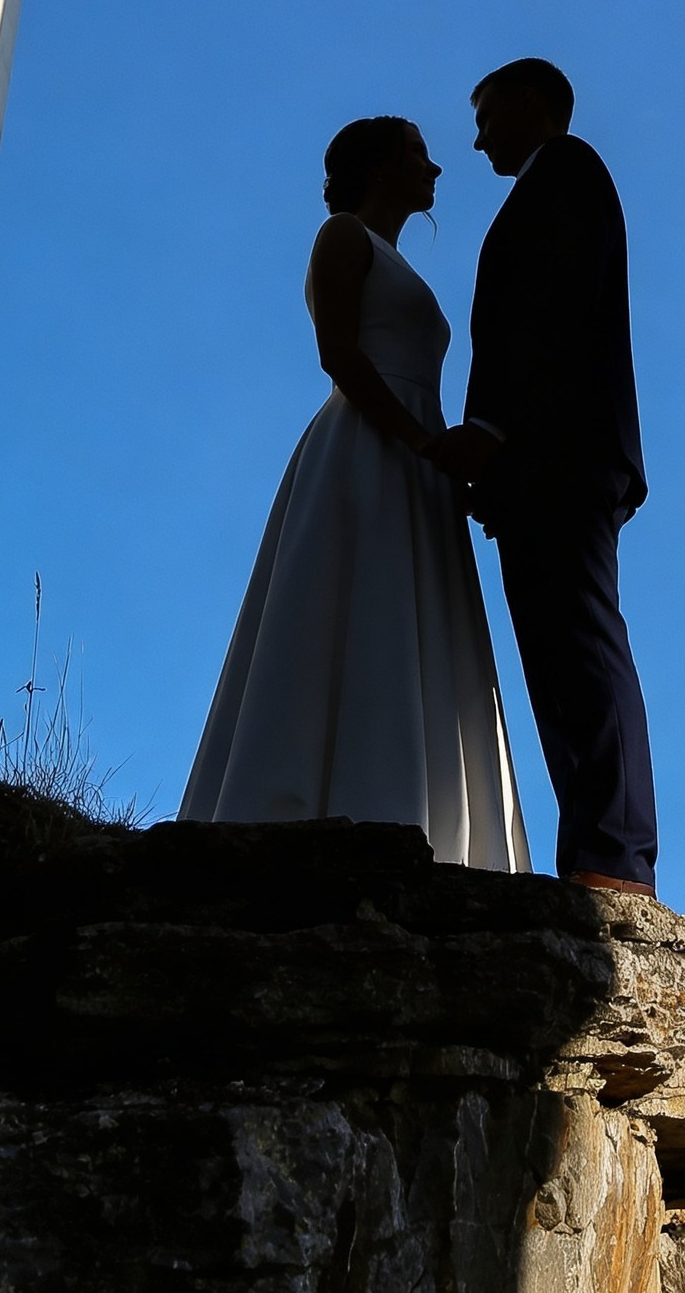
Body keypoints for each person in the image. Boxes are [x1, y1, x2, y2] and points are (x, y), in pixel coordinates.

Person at [180, 114, 532, 869]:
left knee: (407, 611)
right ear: (377, 166)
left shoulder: (397, 262)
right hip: (370, 447)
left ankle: (413, 809)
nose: (435, 169)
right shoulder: (343, 237)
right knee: (352, 603)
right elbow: (337, 353)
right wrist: (415, 441)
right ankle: (310, 800)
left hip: (416, 452)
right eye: (416, 153)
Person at [436, 59, 657, 898]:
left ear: (533, 104)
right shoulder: (544, 186)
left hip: (558, 457)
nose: (478, 137)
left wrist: (492, 430)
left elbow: (548, 313)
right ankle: (596, 853)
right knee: (557, 664)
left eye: (487, 114)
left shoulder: (567, 172)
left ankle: (618, 857)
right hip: (537, 468)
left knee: (582, 645)